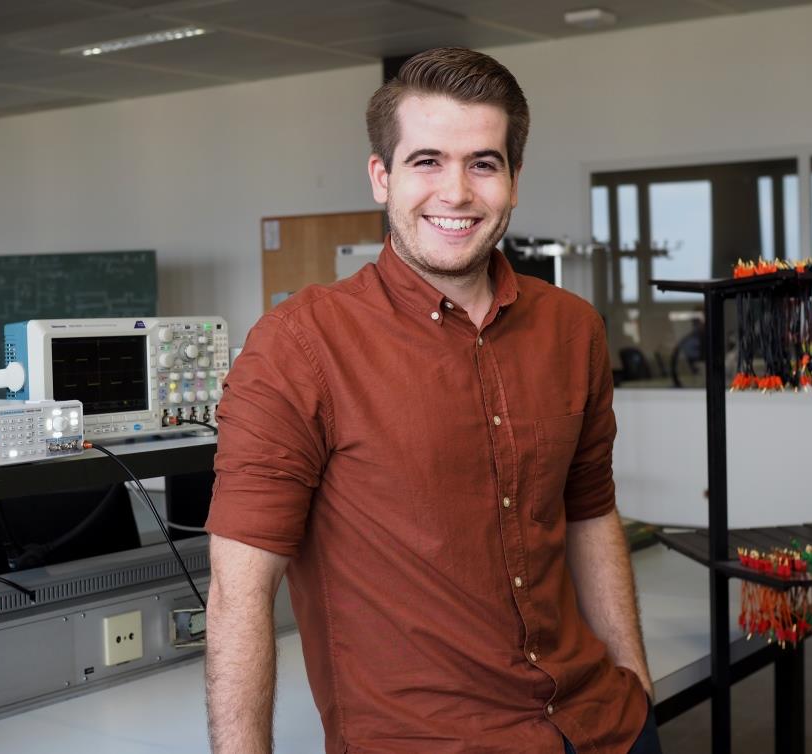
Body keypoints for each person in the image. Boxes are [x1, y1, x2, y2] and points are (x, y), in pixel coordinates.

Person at [204, 47, 661, 754]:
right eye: (426, 162)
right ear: (381, 178)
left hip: (602, 728)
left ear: (512, 181)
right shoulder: (299, 347)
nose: (456, 192)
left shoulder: (573, 329)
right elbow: (239, 593)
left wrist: (634, 676)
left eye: (483, 163)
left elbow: (589, 511)